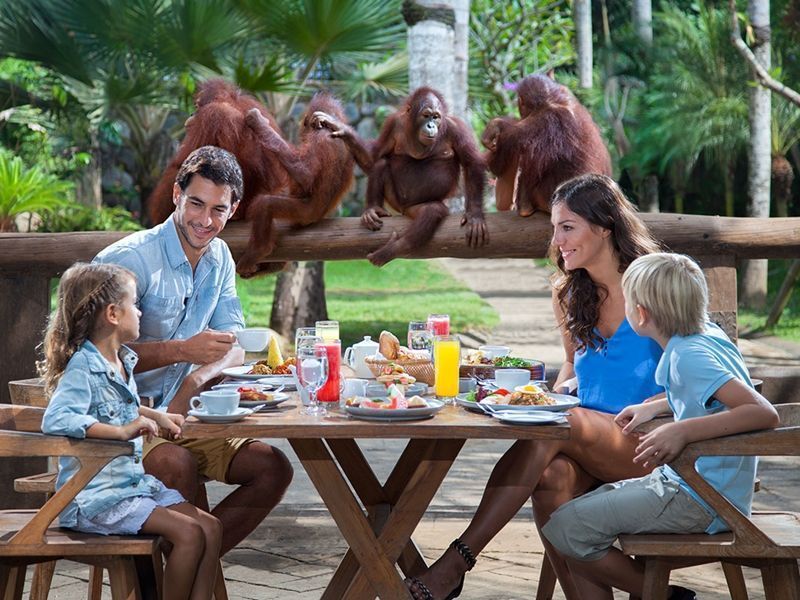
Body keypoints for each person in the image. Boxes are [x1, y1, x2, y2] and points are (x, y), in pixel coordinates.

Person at [408, 173, 665, 600]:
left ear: (603, 226)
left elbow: (699, 368)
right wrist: (561, 388)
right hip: (587, 438)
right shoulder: (569, 292)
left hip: (648, 442)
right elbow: (570, 363)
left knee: (555, 427)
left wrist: (654, 406)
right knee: (550, 477)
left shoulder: (654, 284)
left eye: (568, 227)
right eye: (555, 228)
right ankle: (654, 594)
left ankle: (457, 561)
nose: (558, 240)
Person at [541, 252, 780, 599]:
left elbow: (761, 412)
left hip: (702, 498)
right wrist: (653, 408)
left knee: (566, 529)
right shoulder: (701, 339)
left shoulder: (688, 356)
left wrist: (681, 430)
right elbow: (711, 396)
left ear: (641, 314)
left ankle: (665, 595)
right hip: (694, 486)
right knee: (574, 518)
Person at [94, 146, 293, 555]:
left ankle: (189, 570)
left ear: (234, 209)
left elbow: (233, 341)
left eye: (218, 210)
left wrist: (196, 378)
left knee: (272, 468)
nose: (205, 221)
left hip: (187, 418)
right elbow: (94, 355)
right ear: (176, 196)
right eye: (196, 204)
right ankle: (185, 576)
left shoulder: (219, 257)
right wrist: (182, 350)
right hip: (122, 423)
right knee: (176, 465)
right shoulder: (129, 261)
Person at [40, 262, 223, 600]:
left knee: (210, 528)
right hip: (96, 498)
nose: (140, 312)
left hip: (130, 487)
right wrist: (122, 432)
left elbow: (118, 403)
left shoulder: (119, 360)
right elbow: (57, 419)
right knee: (190, 535)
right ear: (113, 313)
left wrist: (158, 416)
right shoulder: (83, 367)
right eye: (135, 304)